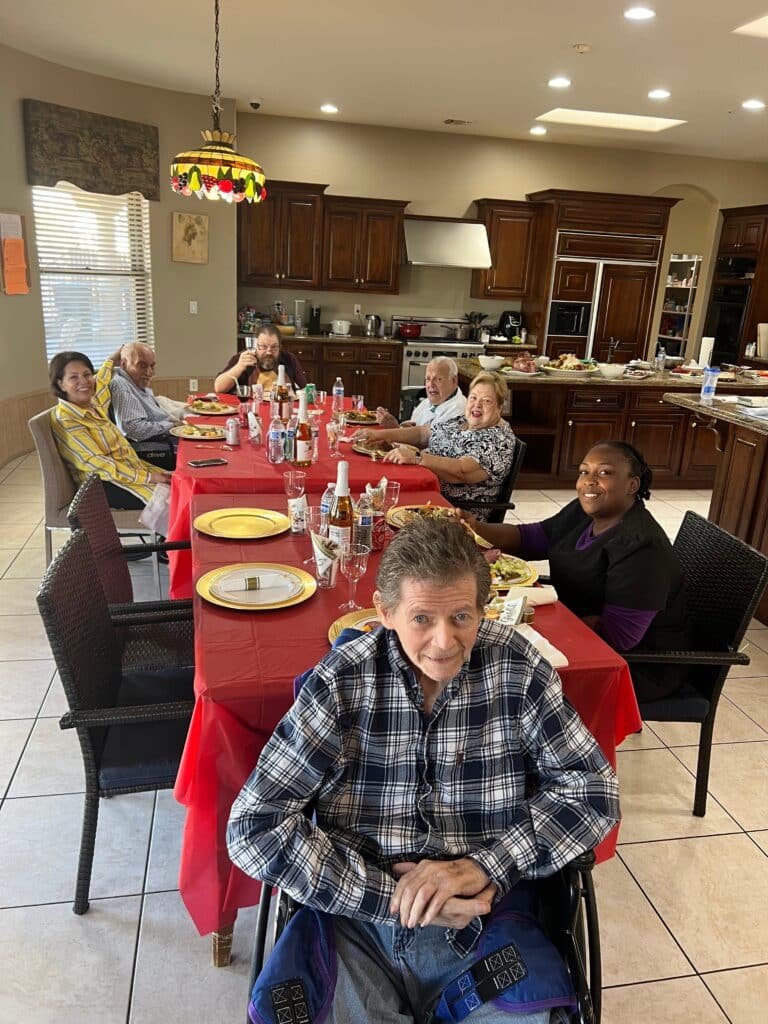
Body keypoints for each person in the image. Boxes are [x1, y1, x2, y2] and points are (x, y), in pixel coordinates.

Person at [227, 517, 619, 1024]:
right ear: (386, 612)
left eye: (461, 616)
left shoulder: (515, 668)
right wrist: (393, 897)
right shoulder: (343, 682)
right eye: (421, 619)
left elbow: (592, 791)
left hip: (489, 922)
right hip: (356, 921)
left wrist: (484, 867)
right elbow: (253, 827)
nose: (444, 641)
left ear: (484, 609)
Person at [462, 440, 688, 701]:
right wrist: (476, 529)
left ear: (632, 485)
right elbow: (534, 538)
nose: (589, 481)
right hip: (577, 632)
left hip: (632, 666)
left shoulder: (642, 548)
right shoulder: (585, 512)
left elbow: (618, 637)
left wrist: (535, 626)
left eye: (604, 472)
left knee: (495, 673)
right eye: (584, 471)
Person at [354, 371, 516, 520]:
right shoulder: (463, 422)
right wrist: (378, 434)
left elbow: (462, 471)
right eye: (473, 398)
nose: (477, 405)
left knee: (377, 504)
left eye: (486, 401)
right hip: (426, 491)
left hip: (452, 511)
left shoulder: (499, 440)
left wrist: (417, 458)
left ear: (499, 408)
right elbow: (423, 433)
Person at [49, 350, 170, 509]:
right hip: (103, 486)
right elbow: (97, 464)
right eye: (73, 377)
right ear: (60, 383)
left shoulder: (92, 404)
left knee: (184, 486)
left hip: (127, 471)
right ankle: (172, 533)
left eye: (87, 374)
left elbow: (102, 381)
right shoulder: (66, 418)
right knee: (174, 503)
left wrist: (113, 358)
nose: (84, 381)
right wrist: (148, 477)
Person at [110, 342, 180, 468]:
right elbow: (133, 429)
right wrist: (172, 426)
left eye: (152, 366)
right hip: (148, 449)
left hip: (162, 437)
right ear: (124, 364)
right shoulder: (121, 386)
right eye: (142, 365)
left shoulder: (134, 380)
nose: (149, 372)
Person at [214, 325, 306, 395]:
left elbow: (305, 389)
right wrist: (239, 366)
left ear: (280, 347)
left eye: (274, 347)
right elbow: (219, 388)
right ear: (255, 346)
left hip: (282, 410)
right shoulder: (243, 358)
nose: (269, 352)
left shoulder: (289, 359)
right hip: (251, 411)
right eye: (263, 346)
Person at [376, 356, 466, 428]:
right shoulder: (433, 400)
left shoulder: (458, 411)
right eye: (428, 379)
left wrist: (396, 428)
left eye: (438, 379)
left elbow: (431, 444)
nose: (431, 384)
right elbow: (414, 424)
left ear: (454, 381)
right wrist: (402, 426)